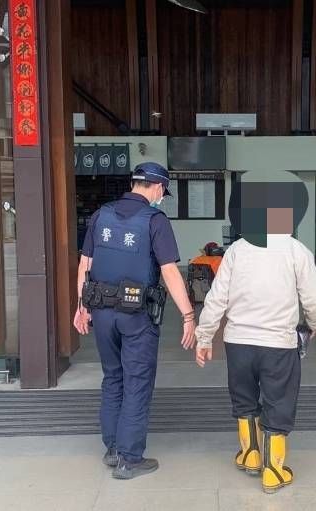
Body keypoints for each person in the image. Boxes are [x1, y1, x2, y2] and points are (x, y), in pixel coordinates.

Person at [194, 171, 316, 494]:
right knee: (278, 400)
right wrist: (315, 323)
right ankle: (273, 470)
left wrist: (204, 337)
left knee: (244, 398)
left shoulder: (237, 250)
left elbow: (216, 298)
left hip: (238, 343)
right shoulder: (296, 250)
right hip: (278, 344)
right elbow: (314, 299)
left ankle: (250, 455)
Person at [73, 161, 197, 480]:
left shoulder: (101, 215)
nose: (162, 197)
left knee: (113, 377)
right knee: (137, 382)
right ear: (158, 187)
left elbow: (85, 265)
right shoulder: (155, 221)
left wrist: (81, 306)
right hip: (136, 315)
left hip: (102, 313)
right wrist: (188, 315)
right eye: (163, 192)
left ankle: (113, 448)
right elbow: (169, 272)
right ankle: (130, 458)